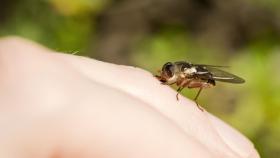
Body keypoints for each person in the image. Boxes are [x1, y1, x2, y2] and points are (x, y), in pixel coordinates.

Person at [0, 37, 259, 158]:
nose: (165, 74)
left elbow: (194, 78)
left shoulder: (187, 76)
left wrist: (184, 93)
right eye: (166, 72)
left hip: (200, 78)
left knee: (202, 81)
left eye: (169, 73)